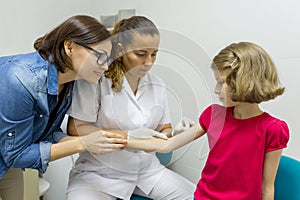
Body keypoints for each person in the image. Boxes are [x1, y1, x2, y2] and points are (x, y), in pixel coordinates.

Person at [127, 42, 290, 200]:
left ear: (245, 82)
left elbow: (267, 187)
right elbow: (167, 145)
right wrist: (123, 140)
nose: (216, 90)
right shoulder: (214, 115)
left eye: (221, 82)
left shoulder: (273, 129)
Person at [66, 16, 195, 200]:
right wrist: (128, 136)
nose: (149, 62)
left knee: (197, 196)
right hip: (99, 174)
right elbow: (76, 127)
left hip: (147, 172)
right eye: (141, 54)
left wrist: (173, 135)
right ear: (121, 50)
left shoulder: (157, 84)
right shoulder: (97, 79)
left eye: (154, 54)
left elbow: (163, 128)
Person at [0, 15, 127, 200]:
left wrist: (93, 141)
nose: (106, 67)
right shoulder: (22, 80)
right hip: (11, 154)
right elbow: (16, 153)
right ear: (69, 47)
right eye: (99, 56)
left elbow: (44, 132)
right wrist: (82, 143)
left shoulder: (70, 82)